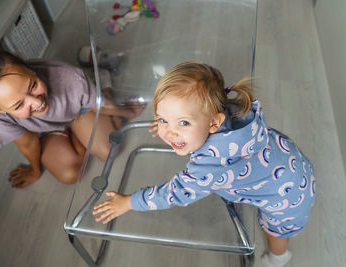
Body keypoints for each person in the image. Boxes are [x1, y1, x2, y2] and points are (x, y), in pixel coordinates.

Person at [92, 62, 316, 267]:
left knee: (276, 232)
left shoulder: (208, 167)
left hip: (287, 198)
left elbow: (174, 193)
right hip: (290, 162)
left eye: (184, 122)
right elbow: (180, 120)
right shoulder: (223, 109)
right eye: (163, 119)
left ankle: (278, 258)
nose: (170, 132)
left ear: (213, 123)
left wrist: (129, 202)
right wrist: (173, 123)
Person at [0, 48, 143, 188]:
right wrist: (35, 171)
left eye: (33, 85)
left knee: (110, 150)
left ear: (28, 67)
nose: (37, 102)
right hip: (45, 128)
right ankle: (76, 131)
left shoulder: (71, 79)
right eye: (19, 105)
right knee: (69, 175)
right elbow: (28, 142)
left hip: (80, 109)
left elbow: (101, 105)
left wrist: (126, 111)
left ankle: (103, 83)